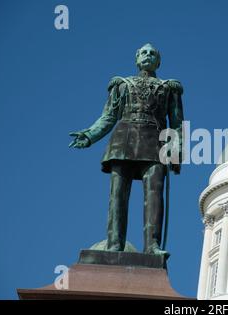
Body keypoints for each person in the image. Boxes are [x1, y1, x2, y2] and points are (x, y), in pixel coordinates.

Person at [69, 43, 184, 256]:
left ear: (158, 62)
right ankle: (114, 245)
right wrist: (89, 135)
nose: (148, 56)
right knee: (118, 195)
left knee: (154, 196)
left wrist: (175, 152)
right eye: (144, 53)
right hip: (123, 140)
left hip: (155, 142)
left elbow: (176, 122)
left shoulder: (169, 88)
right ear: (137, 58)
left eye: (152, 54)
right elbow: (109, 116)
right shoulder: (121, 85)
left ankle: (152, 247)